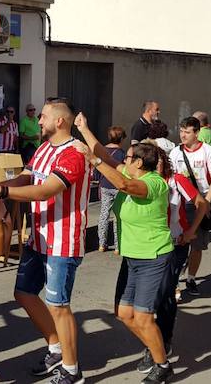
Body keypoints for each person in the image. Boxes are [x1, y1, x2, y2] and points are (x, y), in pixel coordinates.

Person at [0, 97, 90, 384]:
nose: (38, 121)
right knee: (23, 293)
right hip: (38, 237)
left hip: (63, 241)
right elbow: (26, 177)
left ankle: (72, 371)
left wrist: (0, 192)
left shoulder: (74, 154)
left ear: (59, 121)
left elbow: (45, 191)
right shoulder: (45, 148)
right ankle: (56, 348)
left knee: (59, 306)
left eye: (44, 116)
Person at [76, 115, 175, 384]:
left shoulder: (154, 183)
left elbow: (124, 185)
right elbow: (103, 154)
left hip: (153, 257)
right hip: (132, 258)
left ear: (139, 163)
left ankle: (162, 364)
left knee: (142, 317)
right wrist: (84, 128)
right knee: (124, 314)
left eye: (129, 158)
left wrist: (94, 161)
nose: (124, 160)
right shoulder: (128, 171)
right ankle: (157, 348)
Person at [153, 139, 208, 360]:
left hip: (175, 245)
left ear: (164, 161)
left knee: (165, 294)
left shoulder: (177, 180)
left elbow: (201, 203)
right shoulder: (144, 181)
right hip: (150, 247)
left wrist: (190, 231)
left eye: (155, 159)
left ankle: (163, 342)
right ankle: (154, 342)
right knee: (152, 298)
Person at [168, 116, 211, 296]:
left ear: (197, 133)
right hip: (183, 203)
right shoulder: (175, 153)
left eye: (187, 132)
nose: (183, 135)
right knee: (180, 242)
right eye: (181, 131)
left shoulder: (208, 151)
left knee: (197, 244)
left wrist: (206, 201)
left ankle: (191, 278)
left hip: (203, 201)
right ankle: (174, 281)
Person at [96, 126, 126, 253]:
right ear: (121, 139)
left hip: (105, 184)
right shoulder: (122, 153)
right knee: (118, 216)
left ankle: (102, 244)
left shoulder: (102, 150)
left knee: (104, 214)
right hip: (117, 185)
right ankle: (118, 246)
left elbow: (97, 167)